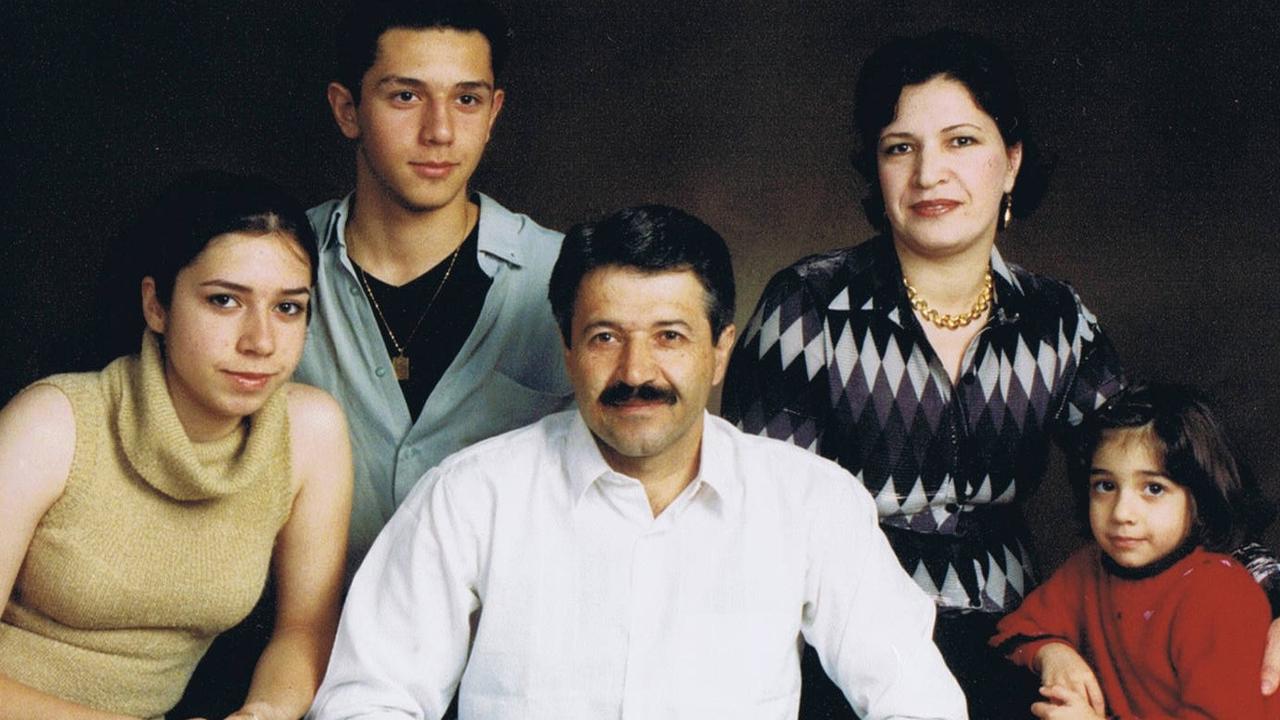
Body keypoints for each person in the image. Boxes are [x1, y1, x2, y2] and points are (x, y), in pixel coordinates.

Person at [720, 29, 1280, 718]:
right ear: (876, 168)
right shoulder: (808, 307)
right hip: (845, 652)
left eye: (961, 141)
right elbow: (759, 523)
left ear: (1010, 162)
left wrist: (1270, 595)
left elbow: (1160, 471)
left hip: (1015, 646)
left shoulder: (1056, 320)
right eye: (901, 147)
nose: (930, 174)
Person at [308, 205, 966, 720]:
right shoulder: (471, 496)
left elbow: (919, 699)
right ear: (567, 351)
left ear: (720, 354)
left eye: (670, 337)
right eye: (604, 338)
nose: (636, 371)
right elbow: (367, 701)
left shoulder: (809, 502)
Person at [0, 171, 352, 720]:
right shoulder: (54, 422)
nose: (261, 341)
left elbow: (303, 634)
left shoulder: (310, 434)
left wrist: (263, 713)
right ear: (156, 306)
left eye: (288, 308)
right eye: (224, 301)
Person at [294, 0, 572, 580]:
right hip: (305, 646)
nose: (440, 131)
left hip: (496, 653)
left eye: (466, 99)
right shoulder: (271, 269)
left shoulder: (571, 277)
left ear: (493, 111)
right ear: (347, 110)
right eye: (406, 96)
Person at [990, 382, 1279, 718]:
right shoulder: (1090, 567)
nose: (1121, 513)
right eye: (1106, 486)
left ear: (1199, 498)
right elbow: (1015, 630)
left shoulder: (1220, 595)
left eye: (1153, 488)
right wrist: (1051, 653)